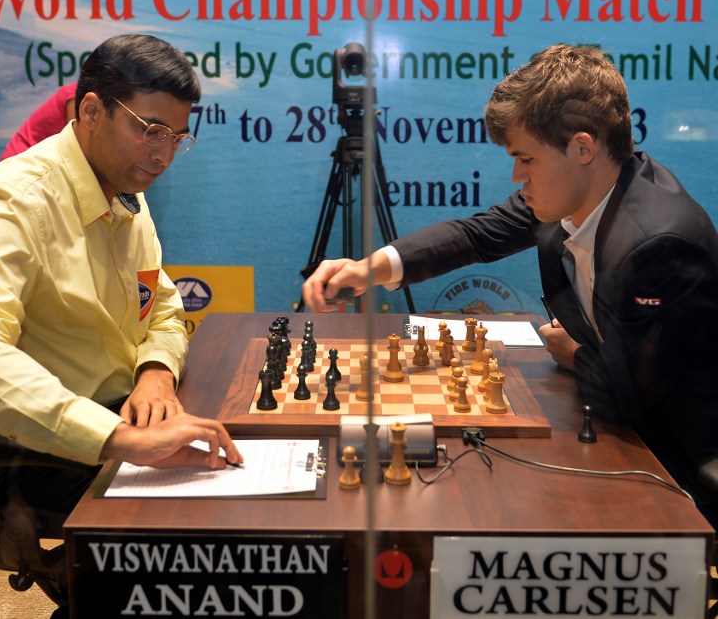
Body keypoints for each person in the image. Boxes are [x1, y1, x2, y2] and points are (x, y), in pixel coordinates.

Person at [303, 43, 718, 527]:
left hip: (670, 461)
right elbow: (476, 234)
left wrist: (573, 353)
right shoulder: (579, 192)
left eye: (527, 159)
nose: (518, 176)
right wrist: (369, 268)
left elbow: (623, 396)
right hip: (614, 426)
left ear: (583, 148)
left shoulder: (657, 244)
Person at [0, 34, 242, 516]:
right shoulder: (17, 200)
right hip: (46, 449)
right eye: (151, 130)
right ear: (90, 111)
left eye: (176, 138)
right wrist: (119, 438)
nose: (164, 156)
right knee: (204, 520)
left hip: (126, 413)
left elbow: (164, 312)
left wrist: (155, 373)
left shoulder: (127, 191)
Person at [0, 81, 77, 160]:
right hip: (20, 157)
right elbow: (74, 144)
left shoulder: (75, 93)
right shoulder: (74, 94)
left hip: (33, 157)